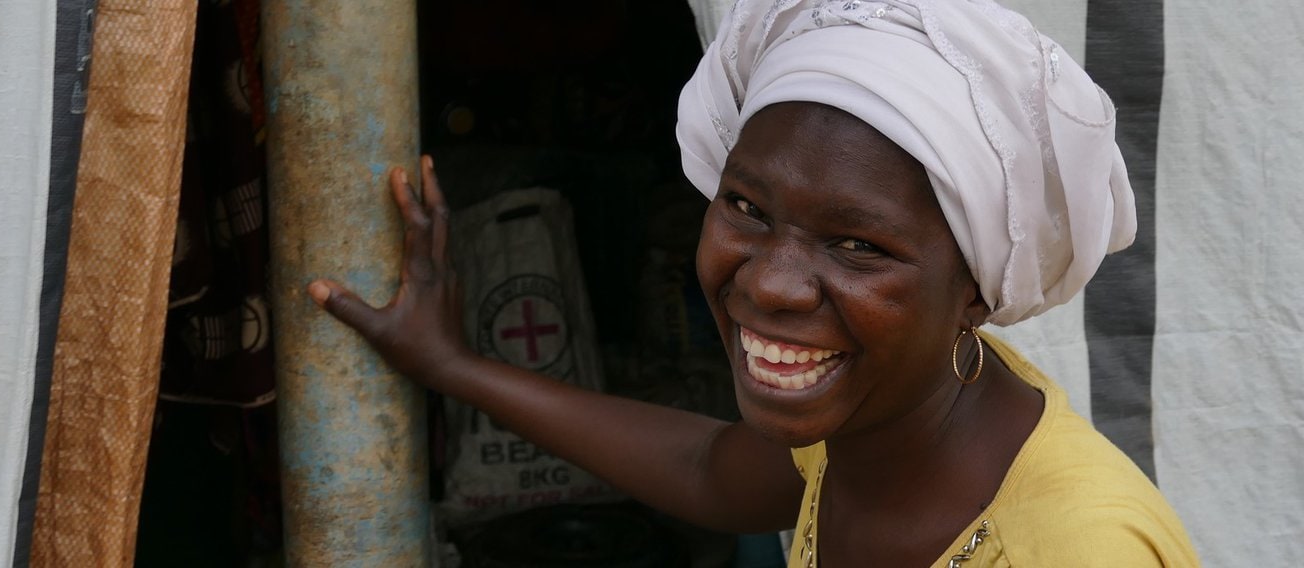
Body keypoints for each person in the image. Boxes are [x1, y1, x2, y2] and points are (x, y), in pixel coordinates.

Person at [307, 1, 1199, 565]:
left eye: (857, 246)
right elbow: (708, 469)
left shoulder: (1078, 547)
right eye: (746, 205)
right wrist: (453, 367)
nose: (769, 285)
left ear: (975, 286)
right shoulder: (885, 413)